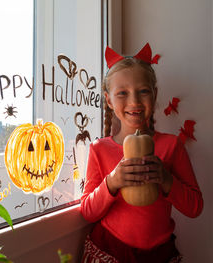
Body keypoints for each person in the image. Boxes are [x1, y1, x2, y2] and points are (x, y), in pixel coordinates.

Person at [80, 43, 203, 263]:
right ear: (109, 100)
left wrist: (166, 180)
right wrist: (112, 182)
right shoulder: (99, 149)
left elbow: (195, 207)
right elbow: (88, 212)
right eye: (122, 93)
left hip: (160, 254)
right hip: (110, 251)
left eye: (143, 91)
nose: (134, 101)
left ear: (154, 94)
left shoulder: (171, 145)